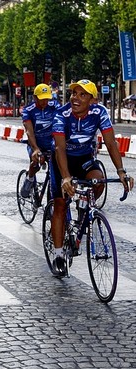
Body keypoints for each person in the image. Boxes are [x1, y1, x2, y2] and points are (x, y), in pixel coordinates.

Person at [50, 79, 133, 274]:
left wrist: (121, 171)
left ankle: (84, 212)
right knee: (61, 205)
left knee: (98, 181)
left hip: (85, 158)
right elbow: (60, 148)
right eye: (74, 94)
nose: (75, 98)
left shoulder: (99, 112)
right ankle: (59, 252)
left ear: (92, 100)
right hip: (62, 161)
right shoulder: (61, 114)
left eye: (82, 95)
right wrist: (66, 178)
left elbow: (111, 143)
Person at [20, 83, 61, 197]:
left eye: (47, 99)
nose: (45, 102)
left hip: (52, 144)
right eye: (42, 99)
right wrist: (36, 149)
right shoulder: (28, 110)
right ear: (35, 98)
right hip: (36, 143)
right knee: (36, 164)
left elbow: (62, 123)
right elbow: (29, 131)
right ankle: (30, 178)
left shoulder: (55, 106)